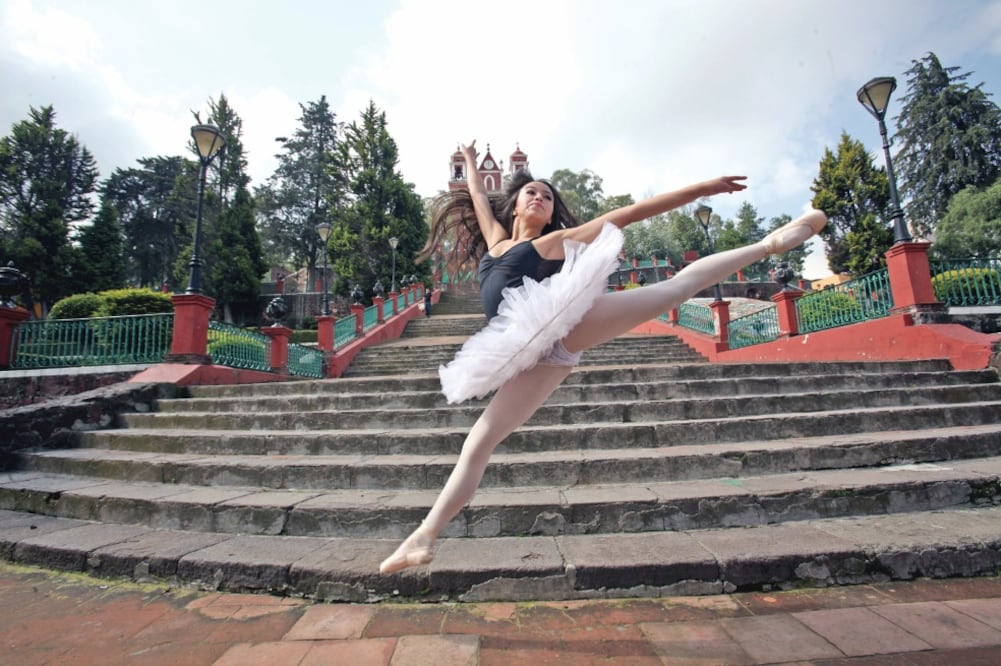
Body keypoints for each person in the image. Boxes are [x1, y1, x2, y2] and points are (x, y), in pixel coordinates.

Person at [378, 140, 826, 574]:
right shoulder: (495, 242)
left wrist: (700, 189)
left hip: (562, 324)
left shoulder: (553, 243)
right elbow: (476, 194)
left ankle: (769, 245)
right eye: (531, 192)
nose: (539, 197)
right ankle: (425, 535)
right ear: (514, 204)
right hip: (523, 353)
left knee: (674, 289)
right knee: (478, 442)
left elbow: (626, 215)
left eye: (548, 197)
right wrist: (473, 160)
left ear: (552, 213)